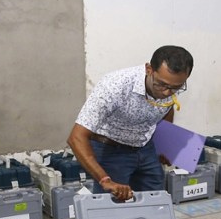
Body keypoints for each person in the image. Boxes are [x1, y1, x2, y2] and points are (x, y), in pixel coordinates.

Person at [67, 45, 193, 201]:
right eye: (161, 85)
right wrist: (105, 180)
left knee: (155, 200)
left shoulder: (169, 86)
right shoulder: (114, 86)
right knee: (113, 204)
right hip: (111, 149)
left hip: (145, 147)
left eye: (175, 87)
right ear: (149, 69)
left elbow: (168, 107)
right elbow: (76, 137)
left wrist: (166, 146)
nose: (167, 92)